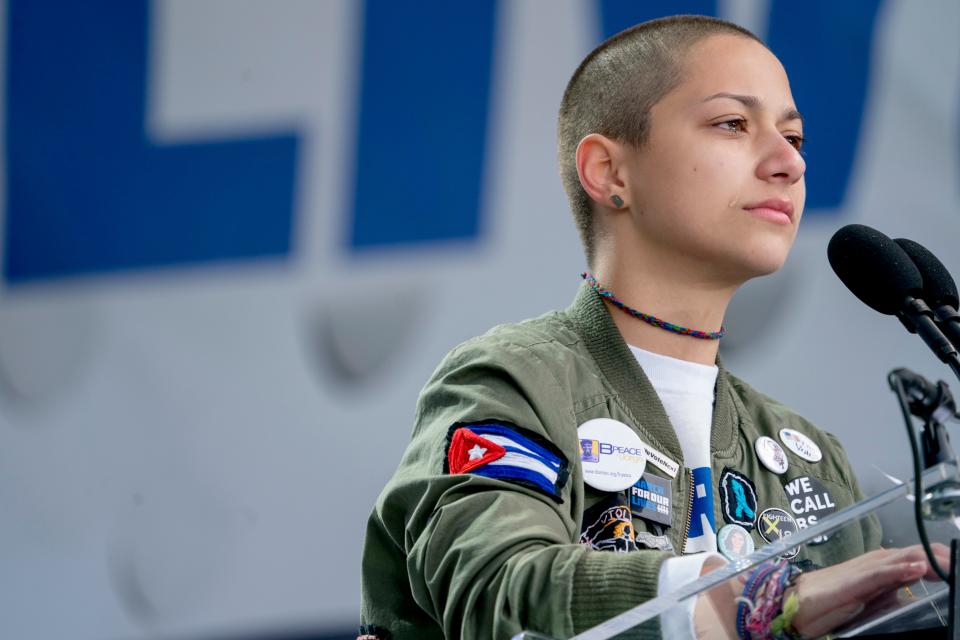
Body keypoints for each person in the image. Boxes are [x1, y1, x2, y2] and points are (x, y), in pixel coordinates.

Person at [359, 14, 949, 640]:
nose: (788, 163)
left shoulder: (809, 457)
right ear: (609, 172)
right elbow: (497, 588)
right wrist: (757, 600)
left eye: (795, 139)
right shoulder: (513, 384)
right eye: (732, 124)